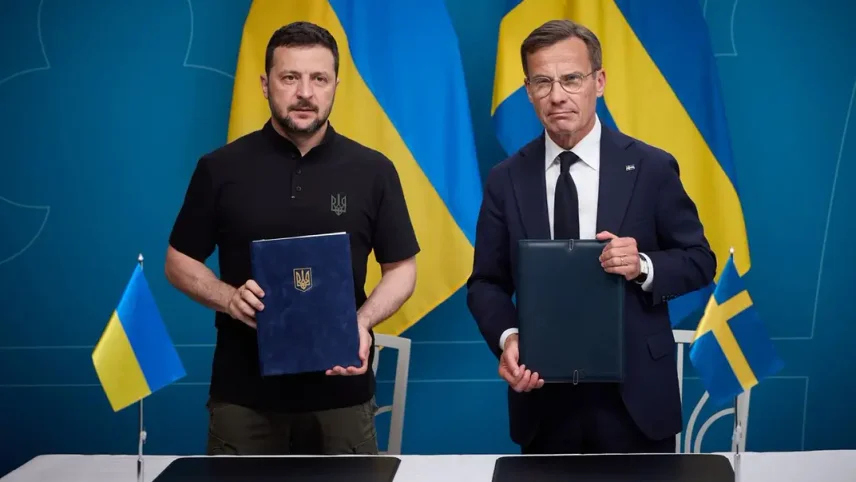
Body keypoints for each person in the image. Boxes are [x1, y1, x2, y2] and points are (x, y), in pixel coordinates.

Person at [165, 21, 419, 455]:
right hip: (243, 397)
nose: (305, 92)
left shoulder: (374, 170)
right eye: (289, 78)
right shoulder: (219, 168)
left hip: (343, 394)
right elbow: (178, 261)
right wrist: (228, 298)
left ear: (336, 85)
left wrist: (360, 322)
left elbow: (402, 270)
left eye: (319, 78)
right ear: (265, 85)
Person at [466, 19, 716, 454]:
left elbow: (700, 260)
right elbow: (486, 282)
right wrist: (508, 338)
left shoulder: (652, 167)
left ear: (598, 82)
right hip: (542, 398)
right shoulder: (506, 179)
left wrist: (643, 266)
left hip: (636, 398)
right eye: (542, 82)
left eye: (571, 79)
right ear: (528, 91)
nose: (557, 96)